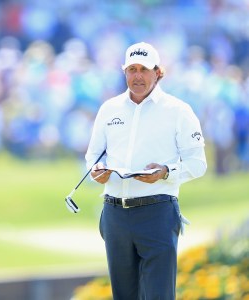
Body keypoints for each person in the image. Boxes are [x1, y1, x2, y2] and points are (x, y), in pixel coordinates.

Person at [85, 42, 207, 299]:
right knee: (124, 295)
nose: (137, 75)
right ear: (124, 72)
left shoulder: (178, 111)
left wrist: (165, 171)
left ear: (158, 73)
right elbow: (92, 156)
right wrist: (96, 171)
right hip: (115, 214)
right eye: (132, 69)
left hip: (157, 213)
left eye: (144, 69)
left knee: (158, 295)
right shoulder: (109, 109)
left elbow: (198, 163)